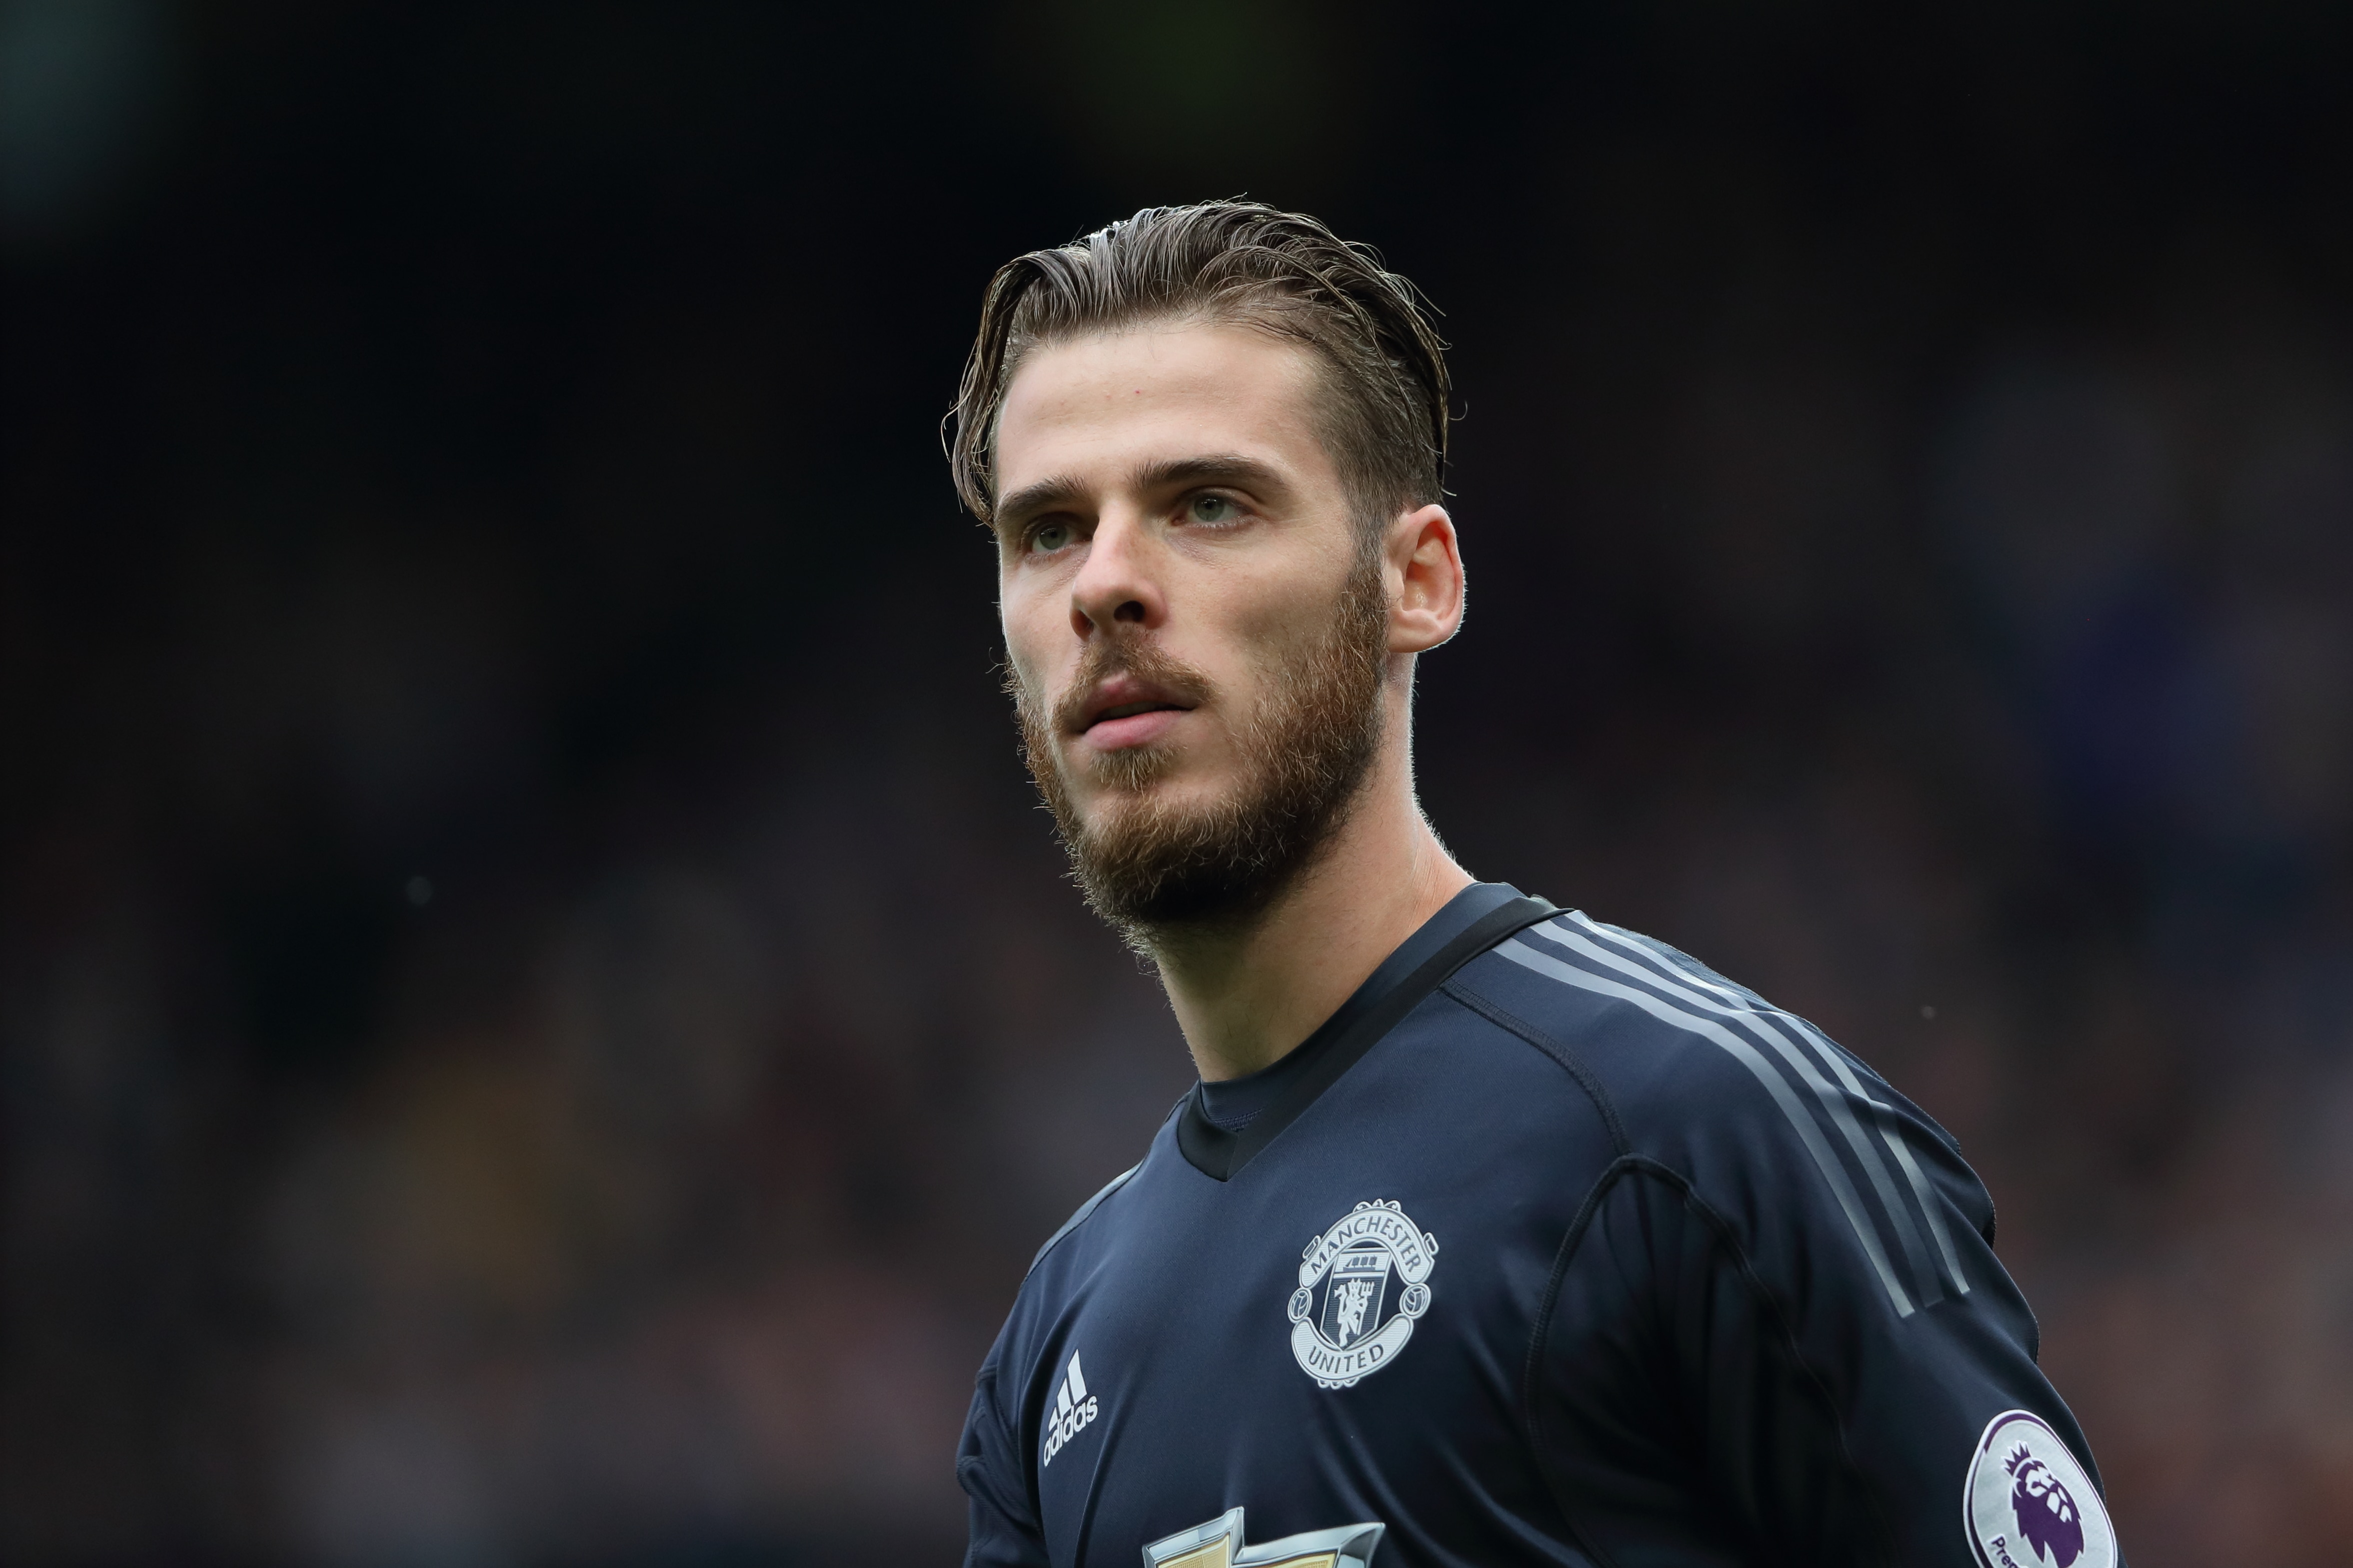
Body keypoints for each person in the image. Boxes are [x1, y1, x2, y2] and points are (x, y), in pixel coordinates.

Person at [946, 202, 2121, 1568]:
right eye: (1046, 531)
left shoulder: (1689, 1135)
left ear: (1418, 584)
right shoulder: (1055, 1344)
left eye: (1207, 504)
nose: (1105, 584)